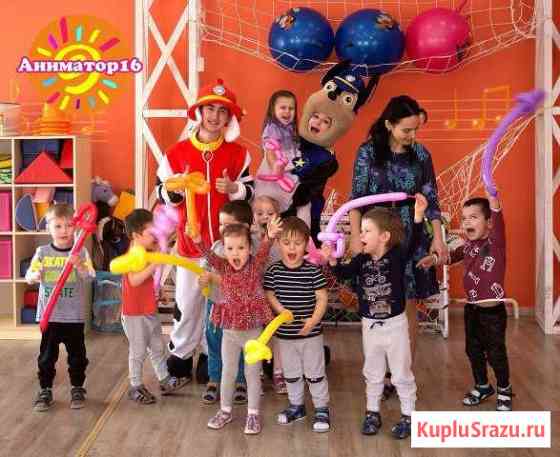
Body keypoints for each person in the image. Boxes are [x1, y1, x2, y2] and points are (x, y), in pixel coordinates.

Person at [349, 95, 448, 396]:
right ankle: (378, 375)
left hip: (411, 233)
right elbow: (356, 198)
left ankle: (401, 375)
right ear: (389, 124)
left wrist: (438, 237)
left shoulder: (421, 154)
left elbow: (431, 200)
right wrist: (355, 237)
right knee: (378, 301)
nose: (412, 135)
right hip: (376, 234)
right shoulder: (368, 152)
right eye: (406, 129)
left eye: (416, 129)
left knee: (408, 304)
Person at [156, 79, 254, 384]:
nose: (214, 116)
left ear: (229, 118)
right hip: (190, 244)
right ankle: (181, 360)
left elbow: (250, 192)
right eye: (209, 108)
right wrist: (176, 189)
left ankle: (214, 362)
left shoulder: (239, 154)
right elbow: (160, 191)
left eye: (222, 111)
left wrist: (234, 188)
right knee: (187, 305)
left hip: (227, 250)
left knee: (222, 307)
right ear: (199, 112)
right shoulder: (176, 153)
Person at [325, 194, 428, 439]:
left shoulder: (397, 256)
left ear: (384, 237)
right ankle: (372, 412)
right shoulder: (361, 259)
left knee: (401, 373)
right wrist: (332, 260)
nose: (361, 235)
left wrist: (418, 216)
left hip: (395, 327)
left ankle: (409, 416)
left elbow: (414, 242)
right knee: (372, 372)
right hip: (370, 327)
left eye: (366, 231)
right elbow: (343, 274)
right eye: (361, 231)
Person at [418, 192, 513, 411]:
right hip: (472, 309)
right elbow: (453, 256)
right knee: (473, 350)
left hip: (492, 313)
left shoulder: (496, 242)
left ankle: (504, 389)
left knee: (496, 353)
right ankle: (482, 386)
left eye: (474, 217)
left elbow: (497, 215)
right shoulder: (469, 245)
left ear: (489, 223)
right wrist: (434, 259)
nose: (467, 222)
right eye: (464, 218)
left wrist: (493, 198)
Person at [196, 217, 283, 435]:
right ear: (224, 250)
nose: (235, 253)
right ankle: (225, 411)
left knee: (252, 374)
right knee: (228, 372)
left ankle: (253, 414)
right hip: (230, 331)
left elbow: (264, 249)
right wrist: (197, 239)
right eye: (230, 248)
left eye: (241, 248)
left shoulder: (255, 265)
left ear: (249, 249)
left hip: (253, 332)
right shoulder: (223, 266)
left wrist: (270, 236)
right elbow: (208, 255)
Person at [264, 217, 330, 432]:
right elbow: (270, 294)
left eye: (297, 243)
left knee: (315, 373)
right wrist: (280, 310)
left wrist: (313, 321)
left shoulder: (313, 271)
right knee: (291, 373)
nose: (292, 248)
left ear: (306, 245)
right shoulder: (273, 271)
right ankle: (296, 406)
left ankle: (321, 408)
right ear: (278, 244)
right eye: (286, 243)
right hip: (285, 335)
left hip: (311, 334)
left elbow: (322, 298)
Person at [27, 203, 95, 412]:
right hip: (50, 316)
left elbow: (90, 276)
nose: (64, 230)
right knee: (47, 357)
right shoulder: (42, 252)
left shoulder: (81, 251)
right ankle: (45, 389)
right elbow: (29, 276)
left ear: (76, 227)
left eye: (69, 225)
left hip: (73, 316)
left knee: (77, 356)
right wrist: (35, 275)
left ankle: (77, 387)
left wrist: (79, 265)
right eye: (58, 226)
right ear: (48, 228)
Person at [121, 209, 188, 404]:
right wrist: (155, 264)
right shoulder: (134, 254)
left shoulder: (146, 252)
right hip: (134, 313)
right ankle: (135, 386)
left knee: (157, 347)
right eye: (152, 233)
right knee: (138, 351)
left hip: (148, 309)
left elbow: (149, 279)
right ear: (136, 235)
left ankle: (164, 379)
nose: (156, 236)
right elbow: (134, 280)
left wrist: (159, 292)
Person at [199, 200, 254, 405]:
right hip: (216, 304)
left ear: (245, 227)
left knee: (239, 345)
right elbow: (204, 269)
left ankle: (240, 381)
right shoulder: (216, 246)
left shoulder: (248, 251)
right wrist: (203, 279)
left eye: (227, 224)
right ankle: (214, 379)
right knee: (214, 341)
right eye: (221, 224)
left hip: (239, 309)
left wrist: (214, 278)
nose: (222, 228)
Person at [254, 90, 300, 215]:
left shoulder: (290, 128)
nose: (287, 111)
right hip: (275, 168)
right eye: (283, 108)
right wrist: (275, 167)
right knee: (269, 203)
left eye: (291, 108)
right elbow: (270, 151)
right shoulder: (272, 128)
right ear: (272, 110)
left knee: (283, 203)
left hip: (288, 167)